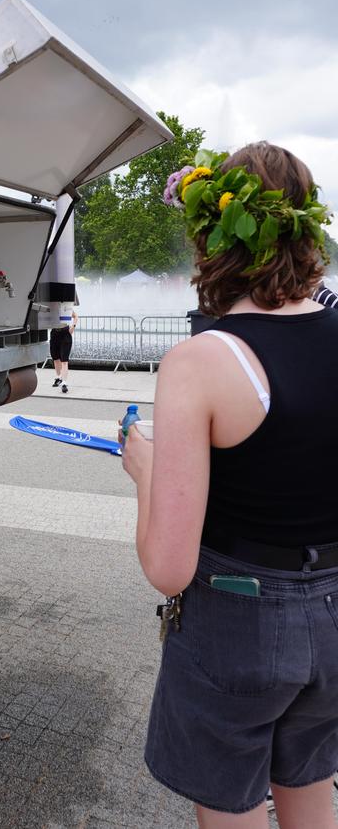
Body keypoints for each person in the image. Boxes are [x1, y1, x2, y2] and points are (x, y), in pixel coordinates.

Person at [122, 142, 338, 828]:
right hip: (335, 610)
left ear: (213, 238)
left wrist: (145, 469)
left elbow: (168, 567)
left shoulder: (203, 362)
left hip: (240, 623)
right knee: (312, 792)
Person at [50, 302, 78, 394]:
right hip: (54, 332)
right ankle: (59, 378)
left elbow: (75, 316)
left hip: (65, 333)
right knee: (55, 358)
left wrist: (73, 327)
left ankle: (64, 383)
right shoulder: (52, 306)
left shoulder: (66, 306)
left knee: (64, 361)